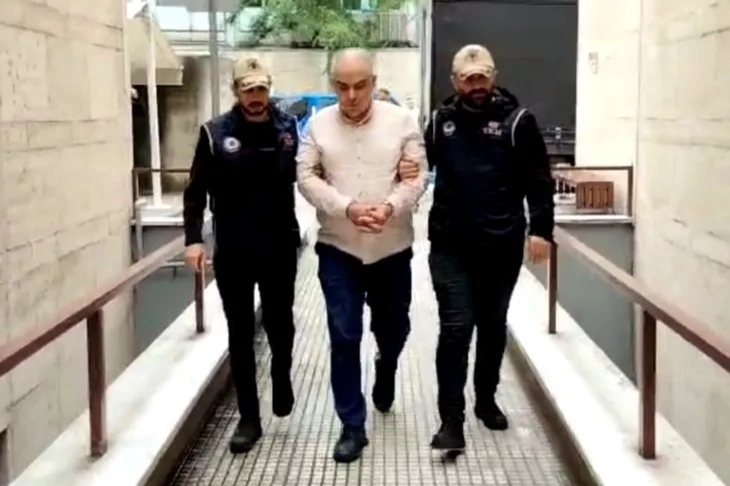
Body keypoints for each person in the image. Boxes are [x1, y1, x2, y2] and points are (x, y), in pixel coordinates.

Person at [407, 44, 555, 451]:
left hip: (501, 245)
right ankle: (450, 420)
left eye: (482, 77)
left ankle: (485, 399)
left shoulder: (518, 121)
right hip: (451, 246)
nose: (476, 84)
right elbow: (419, 167)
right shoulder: (441, 121)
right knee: (456, 328)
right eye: (468, 78)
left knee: (492, 326)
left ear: (493, 77)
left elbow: (539, 179)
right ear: (455, 82)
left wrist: (541, 230)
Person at [296, 48, 428, 463]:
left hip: (391, 248)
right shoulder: (318, 125)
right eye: (342, 87)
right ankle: (352, 425)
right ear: (333, 84)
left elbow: (419, 176)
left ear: (374, 82)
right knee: (344, 335)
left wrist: (389, 207)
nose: (351, 96)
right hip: (339, 248)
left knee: (394, 329)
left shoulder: (402, 121)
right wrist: (347, 208)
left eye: (360, 86)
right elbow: (304, 176)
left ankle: (386, 365)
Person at [182, 57, 301, 454]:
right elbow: (195, 192)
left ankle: (281, 376)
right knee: (240, 334)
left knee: (282, 324)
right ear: (236, 91)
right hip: (234, 249)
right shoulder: (215, 133)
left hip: (279, 245)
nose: (255, 97)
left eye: (261, 89)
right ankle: (249, 418)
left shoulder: (288, 128)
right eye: (248, 90)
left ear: (269, 89)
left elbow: (310, 172)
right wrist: (193, 240)